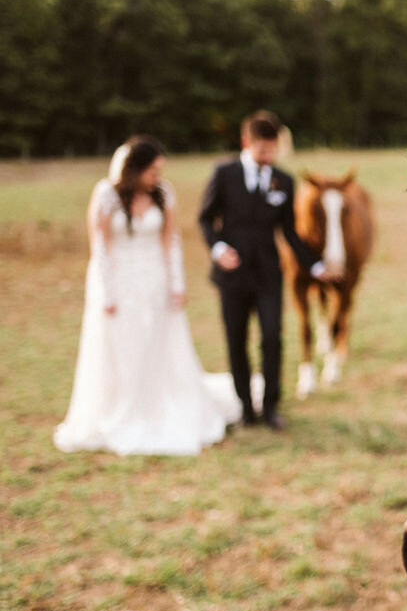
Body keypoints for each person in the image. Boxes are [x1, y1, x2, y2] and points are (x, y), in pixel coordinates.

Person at [54, 136, 242, 456]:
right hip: (120, 283)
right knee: (123, 347)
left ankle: (159, 403)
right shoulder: (106, 194)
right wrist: (106, 292)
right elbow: (99, 245)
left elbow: (172, 242)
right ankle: (121, 408)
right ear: (135, 169)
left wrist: (177, 285)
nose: (157, 176)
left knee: (157, 345)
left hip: (154, 281)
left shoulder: (163, 194)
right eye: (152, 171)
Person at [198, 111, 335, 430]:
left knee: (272, 337)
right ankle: (246, 407)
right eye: (262, 149)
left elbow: (288, 231)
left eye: (272, 149)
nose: (268, 156)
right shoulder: (224, 173)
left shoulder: (283, 181)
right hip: (231, 276)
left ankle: (271, 405)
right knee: (236, 340)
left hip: (268, 275)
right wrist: (218, 249)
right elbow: (206, 219)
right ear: (247, 143)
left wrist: (314, 263)